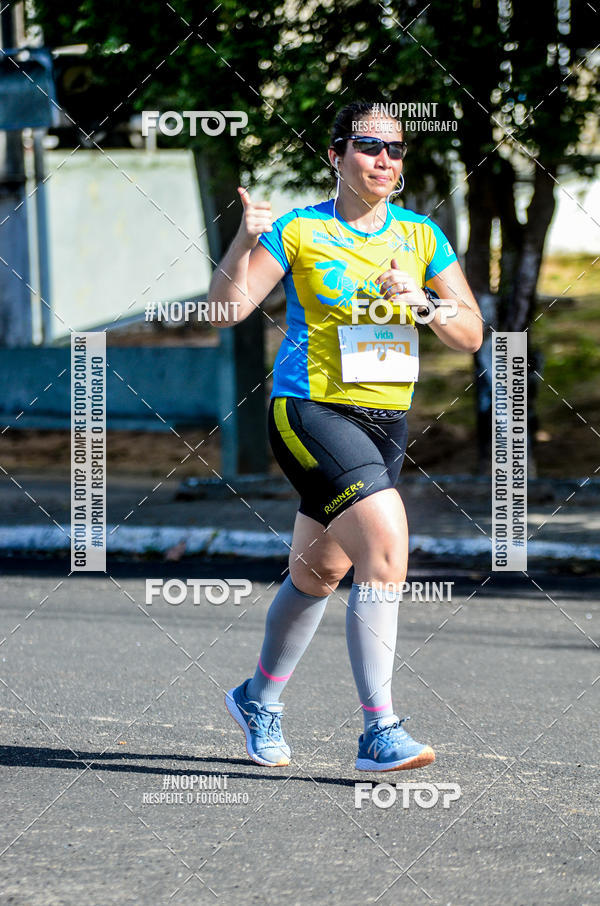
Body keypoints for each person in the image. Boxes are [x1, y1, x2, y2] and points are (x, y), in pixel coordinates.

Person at [208, 100, 483, 771]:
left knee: (320, 570)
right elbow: (225, 310)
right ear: (335, 155)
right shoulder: (302, 230)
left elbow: (471, 332)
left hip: (385, 419)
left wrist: (425, 303)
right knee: (386, 542)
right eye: (368, 146)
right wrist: (245, 241)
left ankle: (258, 699)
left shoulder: (421, 236)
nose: (384, 160)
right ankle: (379, 729)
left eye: (395, 150)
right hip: (309, 409)